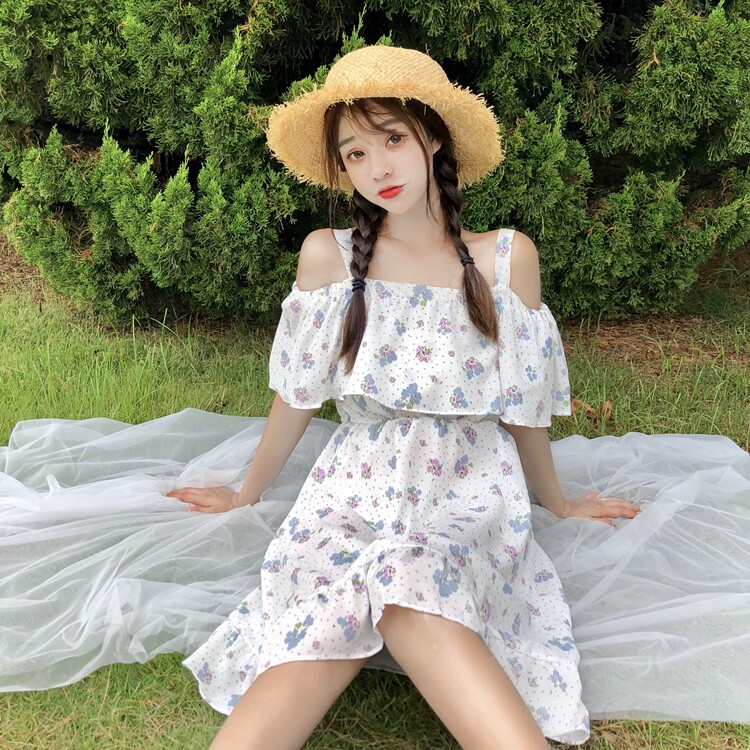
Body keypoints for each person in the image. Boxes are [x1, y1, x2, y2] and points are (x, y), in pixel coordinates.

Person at [169, 45, 640, 749]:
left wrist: (558, 502)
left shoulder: (505, 258)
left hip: (468, 485)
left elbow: (523, 409)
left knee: (411, 570)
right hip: (354, 486)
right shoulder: (329, 256)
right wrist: (246, 493)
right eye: (355, 154)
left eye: (392, 138)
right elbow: (296, 397)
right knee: (325, 608)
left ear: (434, 136)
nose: (378, 168)